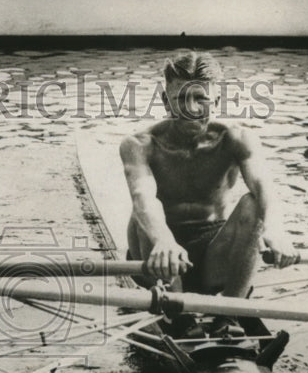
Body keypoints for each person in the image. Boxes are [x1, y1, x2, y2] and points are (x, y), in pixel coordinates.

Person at [120, 50, 296, 338]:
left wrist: (277, 231)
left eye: (200, 98)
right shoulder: (139, 144)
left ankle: (228, 315)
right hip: (157, 253)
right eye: (181, 99)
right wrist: (163, 240)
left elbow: (265, 188)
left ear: (217, 100)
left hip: (213, 253)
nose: (191, 109)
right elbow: (143, 198)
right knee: (142, 213)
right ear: (166, 101)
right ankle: (178, 317)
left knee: (254, 204)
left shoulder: (236, 137)